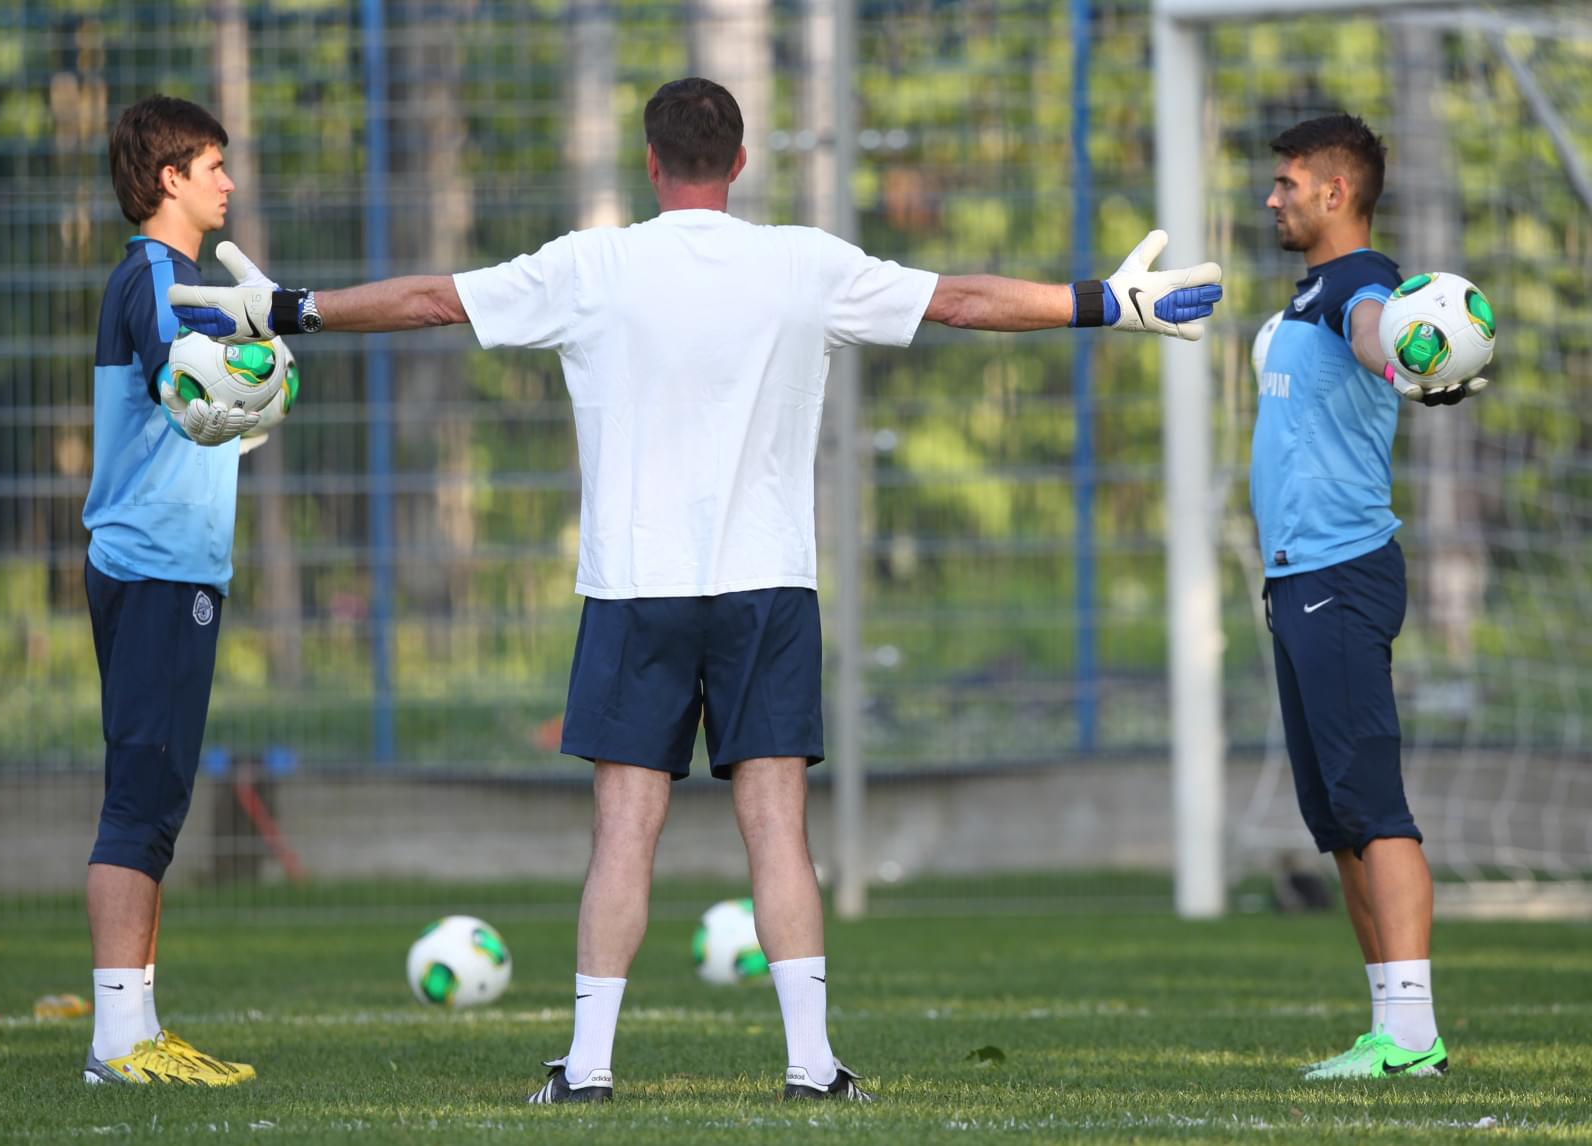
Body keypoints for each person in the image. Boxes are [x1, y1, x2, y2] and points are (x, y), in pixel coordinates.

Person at [171, 76, 1223, 1103]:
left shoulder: (593, 264)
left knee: (626, 830)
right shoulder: (803, 262)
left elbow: (432, 299)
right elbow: (959, 300)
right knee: (778, 828)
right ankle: (813, 1066)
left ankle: (588, 1069)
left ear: (650, 162)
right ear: (741, 162)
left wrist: (289, 309)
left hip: (638, 590)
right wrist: (1103, 303)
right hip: (768, 589)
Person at [1250, 113, 1485, 1082]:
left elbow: (1371, 332)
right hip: (1299, 578)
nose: (1272, 196)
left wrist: (1402, 363)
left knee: (1375, 809)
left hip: (1339, 575)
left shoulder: (1359, 283)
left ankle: (1415, 1036)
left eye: (1288, 181)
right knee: (1340, 821)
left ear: (1335, 192)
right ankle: (1390, 1029)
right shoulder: (1313, 287)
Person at [81, 94, 267, 1086]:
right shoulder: (156, 273)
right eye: (213, 165)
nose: (227, 182)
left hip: (174, 566)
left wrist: (254, 379)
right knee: (141, 798)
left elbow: (209, 399)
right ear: (170, 179)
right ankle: (116, 1045)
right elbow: (183, 380)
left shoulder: (180, 277)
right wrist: (252, 375)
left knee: (156, 799)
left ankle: (139, 1031)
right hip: (153, 565)